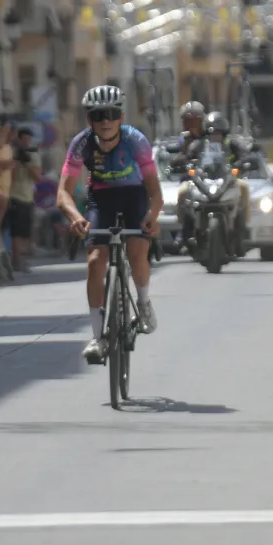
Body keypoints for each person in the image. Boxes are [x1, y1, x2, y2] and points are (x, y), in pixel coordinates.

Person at [57, 85, 162, 364]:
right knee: (95, 262)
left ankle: (143, 301)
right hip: (101, 198)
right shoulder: (81, 144)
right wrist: (75, 217)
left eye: (112, 114)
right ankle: (97, 336)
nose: (106, 121)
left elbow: (155, 191)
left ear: (121, 118)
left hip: (134, 195)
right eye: (98, 115)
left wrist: (152, 215)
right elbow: (63, 193)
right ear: (89, 120)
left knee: (137, 250)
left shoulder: (136, 140)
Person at [8, 126, 41, 271]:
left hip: (28, 197)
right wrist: (16, 161)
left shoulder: (33, 155)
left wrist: (27, 163)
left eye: (28, 139)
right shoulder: (12, 154)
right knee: (16, 231)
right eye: (24, 139)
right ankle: (16, 260)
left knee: (25, 232)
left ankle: (22, 259)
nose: (26, 142)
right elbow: (11, 177)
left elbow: (38, 177)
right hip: (15, 195)